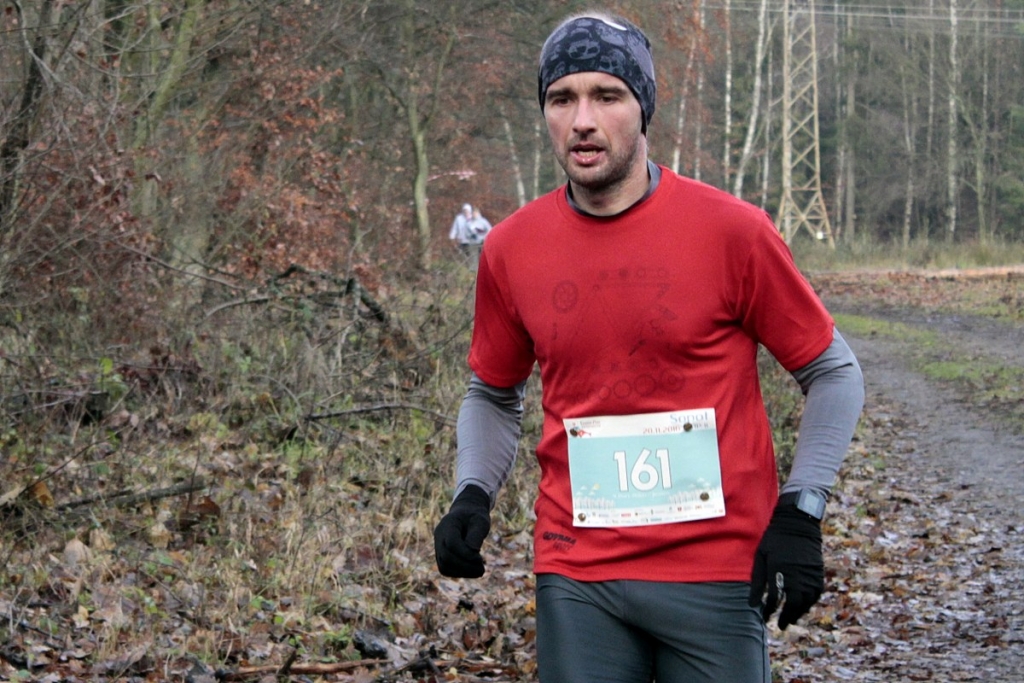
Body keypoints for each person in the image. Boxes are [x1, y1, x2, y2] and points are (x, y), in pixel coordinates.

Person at [434, 11, 864, 683]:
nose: (582, 119)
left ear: (643, 108)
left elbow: (833, 371)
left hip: (716, 571)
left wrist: (801, 510)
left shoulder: (733, 232)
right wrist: (471, 493)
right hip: (579, 571)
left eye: (606, 95)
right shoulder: (512, 248)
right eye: (561, 99)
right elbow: (492, 391)